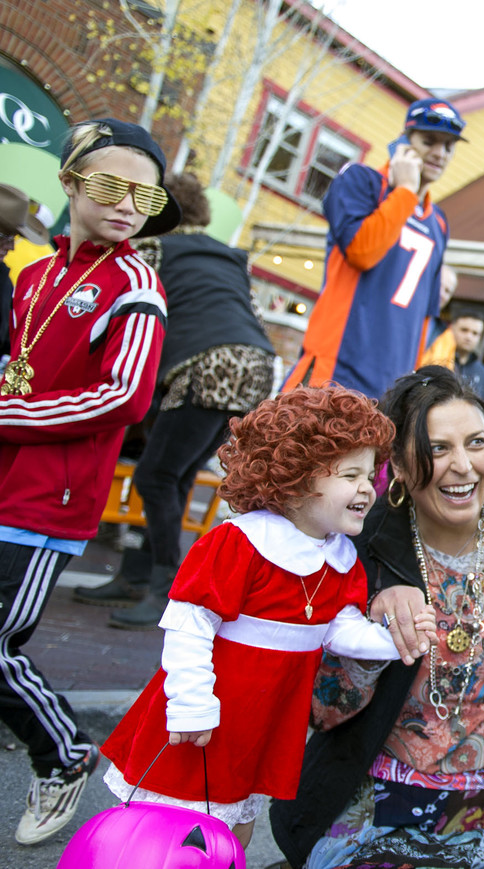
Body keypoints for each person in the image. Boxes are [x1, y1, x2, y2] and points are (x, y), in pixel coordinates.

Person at [269, 366, 484, 869]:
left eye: (476, 443)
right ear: (399, 465)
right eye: (438, 449)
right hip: (372, 799)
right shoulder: (359, 546)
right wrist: (371, 635)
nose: (463, 466)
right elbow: (322, 709)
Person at [98, 386, 430, 847]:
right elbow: (190, 622)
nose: (365, 488)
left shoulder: (340, 557)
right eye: (350, 474)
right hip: (209, 712)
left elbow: (338, 627)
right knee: (167, 823)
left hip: (264, 721)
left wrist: (398, 641)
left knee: (236, 823)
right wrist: (192, 701)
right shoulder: (240, 542)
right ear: (296, 477)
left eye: (368, 473)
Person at [0, 117, 181, 845]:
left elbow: (125, 396)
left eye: (146, 194)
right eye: (110, 185)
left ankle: (64, 753)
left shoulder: (135, 282)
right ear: (70, 181)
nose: (128, 204)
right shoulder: (38, 274)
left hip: (52, 500)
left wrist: (10, 414)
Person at [74, 171, 279, 628]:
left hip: (206, 365)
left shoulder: (152, 250)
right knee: (176, 476)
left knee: (155, 476)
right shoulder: (227, 256)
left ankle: (165, 588)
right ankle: (138, 575)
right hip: (257, 364)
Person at [284, 98, 465, 400]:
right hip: (335, 373)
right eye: (429, 141)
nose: (439, 153)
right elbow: (362, 251)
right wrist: (405, 191)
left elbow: (425, 315)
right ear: (405, 141)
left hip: (390, 387)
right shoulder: (362, 180)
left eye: (449, 146)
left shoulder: (439, 223)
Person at [0, 183, 52, 359]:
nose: (11, 247)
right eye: (4, 236)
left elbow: (6, 338)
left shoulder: (3, 279)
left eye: (14, 238)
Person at [449, 309, 484, 402]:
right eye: (464, 330)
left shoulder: (482, 372)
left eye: (475, 333)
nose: (469, 337)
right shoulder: (436, 358)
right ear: (452, 329)